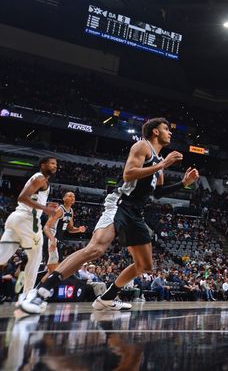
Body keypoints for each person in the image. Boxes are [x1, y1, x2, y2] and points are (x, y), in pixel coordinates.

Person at [20, 117, 197, 314]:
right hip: (120, 204)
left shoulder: (159, 164)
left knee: (144, 265)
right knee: (95, 249)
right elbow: (128, 174)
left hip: (136, 212)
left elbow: (157, 193)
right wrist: (162, 163)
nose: (170, 132)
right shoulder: (142, 146)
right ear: (155, 132)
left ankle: (107, 298)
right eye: (166, 128)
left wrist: (183, 183)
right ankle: (40, 292)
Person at [0, 157, 59, 310]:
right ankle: (27, 298)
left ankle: (26, 296)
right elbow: (22, 197)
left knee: (2, 258)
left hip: (15, 220)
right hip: (28, 221)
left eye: (56, 164)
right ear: (43, 165)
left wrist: (44, 206)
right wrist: (45, 209)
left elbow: (31, 198)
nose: (55, 166)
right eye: (52, 163)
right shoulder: (39, 178)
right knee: (35, 258)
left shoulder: (41, 181)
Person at [43, 191, 87, 274]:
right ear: (64, 198)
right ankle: (43, 286)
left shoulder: (71, 211)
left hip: (58, 240)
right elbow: (46, 227)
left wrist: (78, 229)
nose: (72, 198)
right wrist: (52, 240)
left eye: (73, 196)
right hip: (51, 239)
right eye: (70, 196)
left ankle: (46, 286)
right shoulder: (59, 210)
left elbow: (70, 229)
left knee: (57, 269)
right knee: (52, 270)